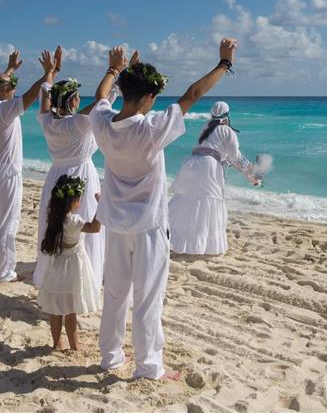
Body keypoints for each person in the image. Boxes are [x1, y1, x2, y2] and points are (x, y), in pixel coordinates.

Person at [89, 38, 238, 380]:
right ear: (146, 98)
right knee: (147, 298)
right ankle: (149, 366)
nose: (156, 101)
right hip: (149, 226)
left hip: (115, 223)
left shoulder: (103, 124)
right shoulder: (151, 130)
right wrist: (224, 64)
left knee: (114, 293)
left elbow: (100, 98)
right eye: (154, 96)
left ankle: (110, 357)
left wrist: (114, 69)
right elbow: (192, 94)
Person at [33, 50, 112, 291]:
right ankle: (84, 278)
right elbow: (102, 102)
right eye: (76, 96)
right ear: (72, 100)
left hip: (56, 177)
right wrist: (116, 72)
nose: (79, 99)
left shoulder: (47, 121)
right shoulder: (78, 123)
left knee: (56, 224)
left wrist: (50, 74)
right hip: (82, 177)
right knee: (83, 225)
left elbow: (44, 99)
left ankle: (54, 275)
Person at [0, 48, 59, 283]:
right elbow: (32, 95)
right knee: (7, 223)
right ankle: (4, 272)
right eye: (10, 85)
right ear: (5, 91)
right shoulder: (5, 110)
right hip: (6, 174)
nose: (13, 87)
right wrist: (47, 75)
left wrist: (10, 68)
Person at [169, 101, 261, 256]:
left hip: (192, 164)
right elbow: (235, 156)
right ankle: (202, 246)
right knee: (209, 202)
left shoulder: (206, 128)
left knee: (188, 201)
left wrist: (249, 175)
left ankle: (176, 239)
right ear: (227, 115)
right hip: (209, 167)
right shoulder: (226, 130)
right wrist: (251, 168)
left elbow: (224, 158)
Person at [36, 175, 102, 350]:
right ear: (72, 201)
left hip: (57, 266)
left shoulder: (54, 218)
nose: (79, 202)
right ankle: (75, 345)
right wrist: (101, 206)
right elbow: (95, 227)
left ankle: (57, 343)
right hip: (73, 267)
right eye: (78, 199)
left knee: (56, 309)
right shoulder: (74, 221)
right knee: (70, 310)